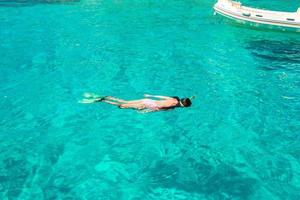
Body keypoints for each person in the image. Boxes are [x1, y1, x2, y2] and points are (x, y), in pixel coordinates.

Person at [80, 93, 194, 112]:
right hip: (146, 104)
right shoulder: (173, 105)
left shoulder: (175, 99)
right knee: (122, 106)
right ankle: (102, 100)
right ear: (183, 105)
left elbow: (161, 97)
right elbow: (158, 108)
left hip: (147, 100)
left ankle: (107, 96)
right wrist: (145, 110)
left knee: (125, 101)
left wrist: (150, 95)